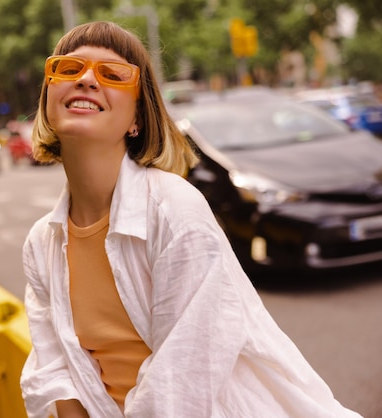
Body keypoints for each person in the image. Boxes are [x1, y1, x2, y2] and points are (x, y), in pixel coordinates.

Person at [20, 21, 361, 418]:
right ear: (48, 98)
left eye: (112, 74)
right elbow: (52, 369)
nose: (88, 80)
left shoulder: (174, 209)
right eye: (68, 69)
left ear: (137, 120)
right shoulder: (40, 244)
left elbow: (182, 380)